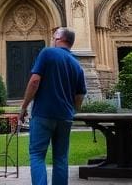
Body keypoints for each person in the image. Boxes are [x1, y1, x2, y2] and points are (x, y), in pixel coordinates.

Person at [18, 26, 87, 185]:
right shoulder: (77, 64)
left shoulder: (47, 52)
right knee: (61, 158)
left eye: (54, 35)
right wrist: (73, 110)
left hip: (43, 114)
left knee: (37, 155)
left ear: (58, 38)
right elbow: (80, 95)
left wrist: (23, 108)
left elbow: (34, 81)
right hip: (65, 117)